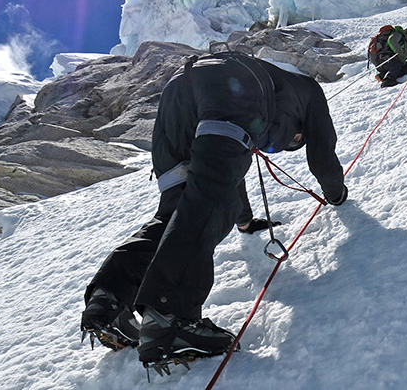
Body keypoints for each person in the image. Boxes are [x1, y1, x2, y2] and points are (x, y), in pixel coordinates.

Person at [80, 50, 348, 365]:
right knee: (207, 202)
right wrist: (336, 194)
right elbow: (322, 153)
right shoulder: (309, 91)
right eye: (291, 141)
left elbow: (223, 177)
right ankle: (173, 316)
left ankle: (109, 299)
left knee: (177, 211)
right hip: (233, 86)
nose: (276, 146)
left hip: (177, 95)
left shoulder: (276, 92)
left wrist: (244, 223)